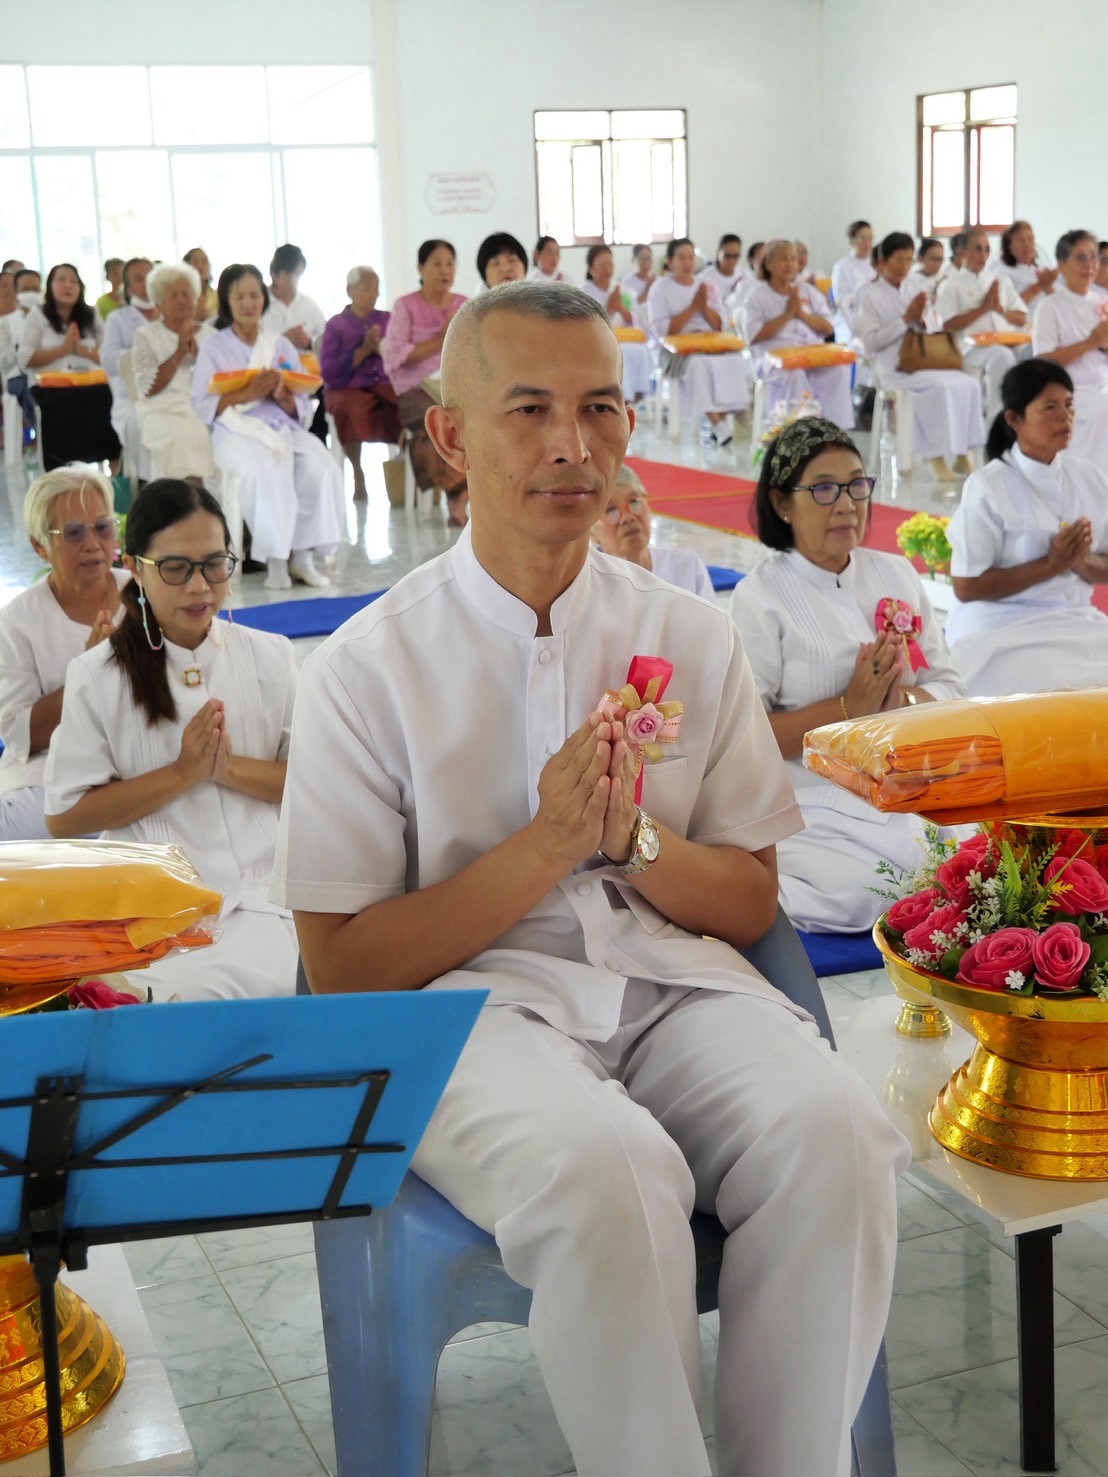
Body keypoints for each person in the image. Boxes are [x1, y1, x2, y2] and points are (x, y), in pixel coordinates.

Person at [273, 280, 908, 1477]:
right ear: (453, 436)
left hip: (670, 980)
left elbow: (752, 899)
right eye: (529, 410)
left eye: (601, 407)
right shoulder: (367, 666)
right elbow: (342, 961)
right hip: (469, 1010)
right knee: (606, 1171)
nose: (573, 446)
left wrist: (634, 845)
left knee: (840, 1134)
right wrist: (546, 846)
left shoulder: (690, 628)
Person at [44, 480, 299, 1002]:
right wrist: (181, 774)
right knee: (196, 999)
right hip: (157, 909)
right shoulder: (98, 675)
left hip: (270, 892)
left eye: (214, 564)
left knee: (323, 978)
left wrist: (228, 770)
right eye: (176, 568)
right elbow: (66, 815)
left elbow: (316, 782)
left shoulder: (272, 656)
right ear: (135, 569)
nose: (200, 586)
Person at [729, 417, 964, 932]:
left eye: (857, 484)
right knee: (864, 890)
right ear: (782, 503)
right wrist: (846, 712)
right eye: (824, 488)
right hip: (813, 794)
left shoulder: (893, 573)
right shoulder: (761, 598)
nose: (846, 503)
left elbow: (950, 687)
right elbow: (747, 736)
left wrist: (895, 705)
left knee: (983, 853)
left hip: (909, 779)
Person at [945, 359, 1108, 697]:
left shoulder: (1088, 477)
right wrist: (1051, 565)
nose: (1065, 416)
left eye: (1069, 404)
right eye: (1050, 407)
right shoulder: (987, 485)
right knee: (1052, 692)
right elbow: (967, 586)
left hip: (1075, 620)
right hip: (1000, 629)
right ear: (1014, 419)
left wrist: (1079, 561)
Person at [191, 263, 342, 590]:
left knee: (320, 464)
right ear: (227, 301)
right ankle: (275, 561)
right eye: (239, 296)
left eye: (254, 295)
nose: (248, 303)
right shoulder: (214, 347)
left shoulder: (280, 345)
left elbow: (300, 403)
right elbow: (202, 404)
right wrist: (248, 393)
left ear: (264, 298)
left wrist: (284, 397)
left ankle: (303, 557)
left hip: (282, 427)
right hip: (235, 429)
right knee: (266, 469)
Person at [0, 466, 126, 841]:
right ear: (40, 546)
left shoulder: (143, 595)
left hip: (137, 766)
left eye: (103, 527)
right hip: (51, 772)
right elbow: (23, 737)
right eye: (73, 533)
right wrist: (87, 673)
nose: (92, 544)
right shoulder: (16, 622)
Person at [853, 231, 984, 481]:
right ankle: (936, 457)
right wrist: (905, 320)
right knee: (938, 387)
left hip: (924, 359)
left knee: (967, 384)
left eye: (908, 260)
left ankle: (962, 452)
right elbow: (870, 343)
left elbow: (936, 325)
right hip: (892, 366)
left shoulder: (916, 287)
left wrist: (924, 320)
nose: (904, 267)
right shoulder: (867, 295)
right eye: (898, 260)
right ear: (882, 262)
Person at [380, 239, 469, 524]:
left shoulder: (464, 304)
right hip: (415, 389)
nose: (445, 270)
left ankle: (465, 496)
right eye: (437, 263)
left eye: (450, 263)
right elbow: (395, 357)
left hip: (455, 385)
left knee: (477, 425)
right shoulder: (405, 305)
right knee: (441, 427)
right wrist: (440, 339)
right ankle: (457, 494)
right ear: (421, 268)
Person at [742, 238, 855, 429]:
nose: (790, 264)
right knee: (794, 373)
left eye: (793, 259)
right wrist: (787, 314)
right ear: (768, 263)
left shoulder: (808, 292)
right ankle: (798, 431)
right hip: (773, 360)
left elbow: (828, 328)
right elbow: (753, 336)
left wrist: (801, 314)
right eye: (783, 259)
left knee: (837, 371)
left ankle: (833, 431)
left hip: (809, 354)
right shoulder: (757, 297)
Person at [648, 237, 749, 446]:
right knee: (697, 365)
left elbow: (720, 324)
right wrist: (693, 307)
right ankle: (717, 424)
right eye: (681, 258)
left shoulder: (706, 286)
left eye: (691, 257)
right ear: (670, 262)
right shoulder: (660, 289)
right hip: (675, 352)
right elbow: (663, 331)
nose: (687, 263)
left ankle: (731, 418)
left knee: (735, 361)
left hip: (708, 346)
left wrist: (703, 306)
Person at [18, 264, 118, 469]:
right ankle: (58, 470)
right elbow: (25, 359)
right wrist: (63, 350)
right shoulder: (38, 315)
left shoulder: (91, 314)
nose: (68, 285)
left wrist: (84, 352)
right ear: (50, 286)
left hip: (91, 383)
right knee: (61, 407)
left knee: (109, 399)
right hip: (50, 387)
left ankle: (114, 475)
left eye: (73, 281)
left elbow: (111, 356)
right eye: (61, 280)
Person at [319, 266, 401, 502]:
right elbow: (330, 371)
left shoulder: (387, 320)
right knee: (348, 409)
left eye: (376, 288)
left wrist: (380, 349)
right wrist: (364, 349)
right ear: (350, 290)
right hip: (347, 388)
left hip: (384, 387)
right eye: (366, 288)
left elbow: (400, 358)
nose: (372, 294)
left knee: (408, 409)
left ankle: (405, 477)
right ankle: (357, 471)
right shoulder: (336, 325)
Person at [132, 260, 216, 482]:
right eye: (173, 295)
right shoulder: (146, 336)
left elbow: (221, 383)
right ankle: (186, 502)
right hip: (162, 410)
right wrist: (179, 354)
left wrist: (201, 359)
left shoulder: (210, 336)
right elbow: (148, 387)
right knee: (186, 436)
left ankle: (221, 509)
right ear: (158, 304)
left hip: (204, 407)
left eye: (186, 294)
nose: (181, 300)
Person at [1031, 228, 1108, 467]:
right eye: (1081, 258)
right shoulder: (1050, 307)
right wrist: (1092, 342)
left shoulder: (1101, 303)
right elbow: (1043, 362)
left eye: (1093, 257)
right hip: (1071, 391)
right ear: (1062, 265)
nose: (1090, 265)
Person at [935, 228, 1028, 421]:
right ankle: (997, 421)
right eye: (978, 249)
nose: (983, 255)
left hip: (1007, 341)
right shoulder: (950, 284)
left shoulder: (1000, 280)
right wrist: (984, 308)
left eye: (987, 249)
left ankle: (1025, 417)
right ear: (962, 252)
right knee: (1001, 356)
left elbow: (1021, 317)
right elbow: (947, 325)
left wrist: (1000, 310)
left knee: (1033, 353)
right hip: (970, 348)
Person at [591, 466, 714, 597]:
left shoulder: (686, 566)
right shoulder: (588, 585)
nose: (628, 517)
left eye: (634, 502)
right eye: (611, 510)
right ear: (590, 533)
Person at [101, 256, 159, 481]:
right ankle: (148, 486)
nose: (145, 284)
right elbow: (107, 360)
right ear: (127, 286)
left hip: (168, 393)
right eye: (138, 279)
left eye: (150, 278)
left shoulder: (169, 315)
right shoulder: (118, 318)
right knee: (140, 427)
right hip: (131, 399)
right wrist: (142, 354)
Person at [581, 245, 651, 403]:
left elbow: (637, 321)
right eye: (602, 264)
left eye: (610, 263)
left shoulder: (622, 290)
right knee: (621, 352)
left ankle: (633, 399)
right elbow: (584, 325)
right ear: (591, 268)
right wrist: (609, 309)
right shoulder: (584, 292)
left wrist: (620, 308)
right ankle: (621, 399)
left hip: (626, 338)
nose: (608, 268)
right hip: (598, 343)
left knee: (640, 350)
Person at [830, 220, 876, 343]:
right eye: (863, 239)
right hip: (848, 320)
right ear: (852, 241)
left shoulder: (877, 265)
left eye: (870, 238)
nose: (868, 244)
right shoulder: (841, 267)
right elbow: (841, 302)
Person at [996, 221, 1057, 312]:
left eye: (1030, 239)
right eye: (1021, 240)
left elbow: (1059, 303)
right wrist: (1039, 285)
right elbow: (1007, 308)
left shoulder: (1043, 270)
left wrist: (1049, 287)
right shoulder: (1003, 273)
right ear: (1009, 246)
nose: (1027, 245)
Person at [697, 233, 745, 305]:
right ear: (718, 253)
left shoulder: (745, 275)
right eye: (727, 256)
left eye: (736, 256)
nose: (732, 260)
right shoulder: (703, 279)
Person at [904, 236, 947, 303]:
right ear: (921, 258)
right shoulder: (908, 281)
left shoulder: (944, 279)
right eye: (934, 259)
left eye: (940, 259)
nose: (938, 263)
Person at [184, 247, 219, 323]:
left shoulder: (217, 295)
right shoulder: (182, 296)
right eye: (195, 262)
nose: (200, 266)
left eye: (204, 262)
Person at [620, 243, 656, 310]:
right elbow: (629, 308)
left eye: (649, 258)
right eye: (642, 259)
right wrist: (647, 291)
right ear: (633, 260)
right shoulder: (626, 283)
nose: (646, 263)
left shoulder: (658, 280)